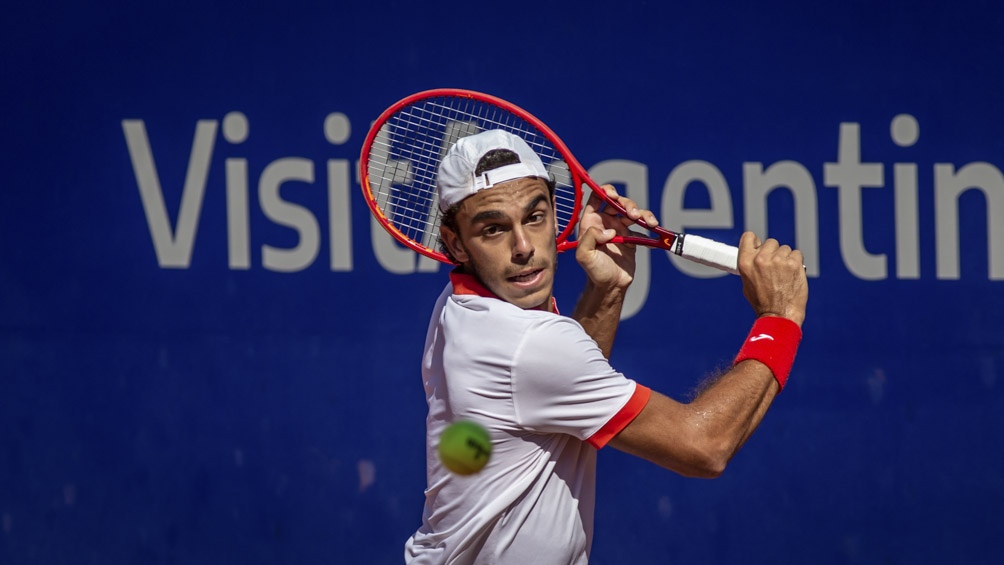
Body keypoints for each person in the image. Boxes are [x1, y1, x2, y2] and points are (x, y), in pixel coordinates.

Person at [404, 130, 808, 564]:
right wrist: (778, 317)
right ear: (456, 244)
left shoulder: (458, 305)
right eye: (494, 229)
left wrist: (608, 289)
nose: (522, 247)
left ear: (555, 213)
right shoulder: (526, 343)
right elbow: (705, 446)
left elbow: (558, 395)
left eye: (535, 217)